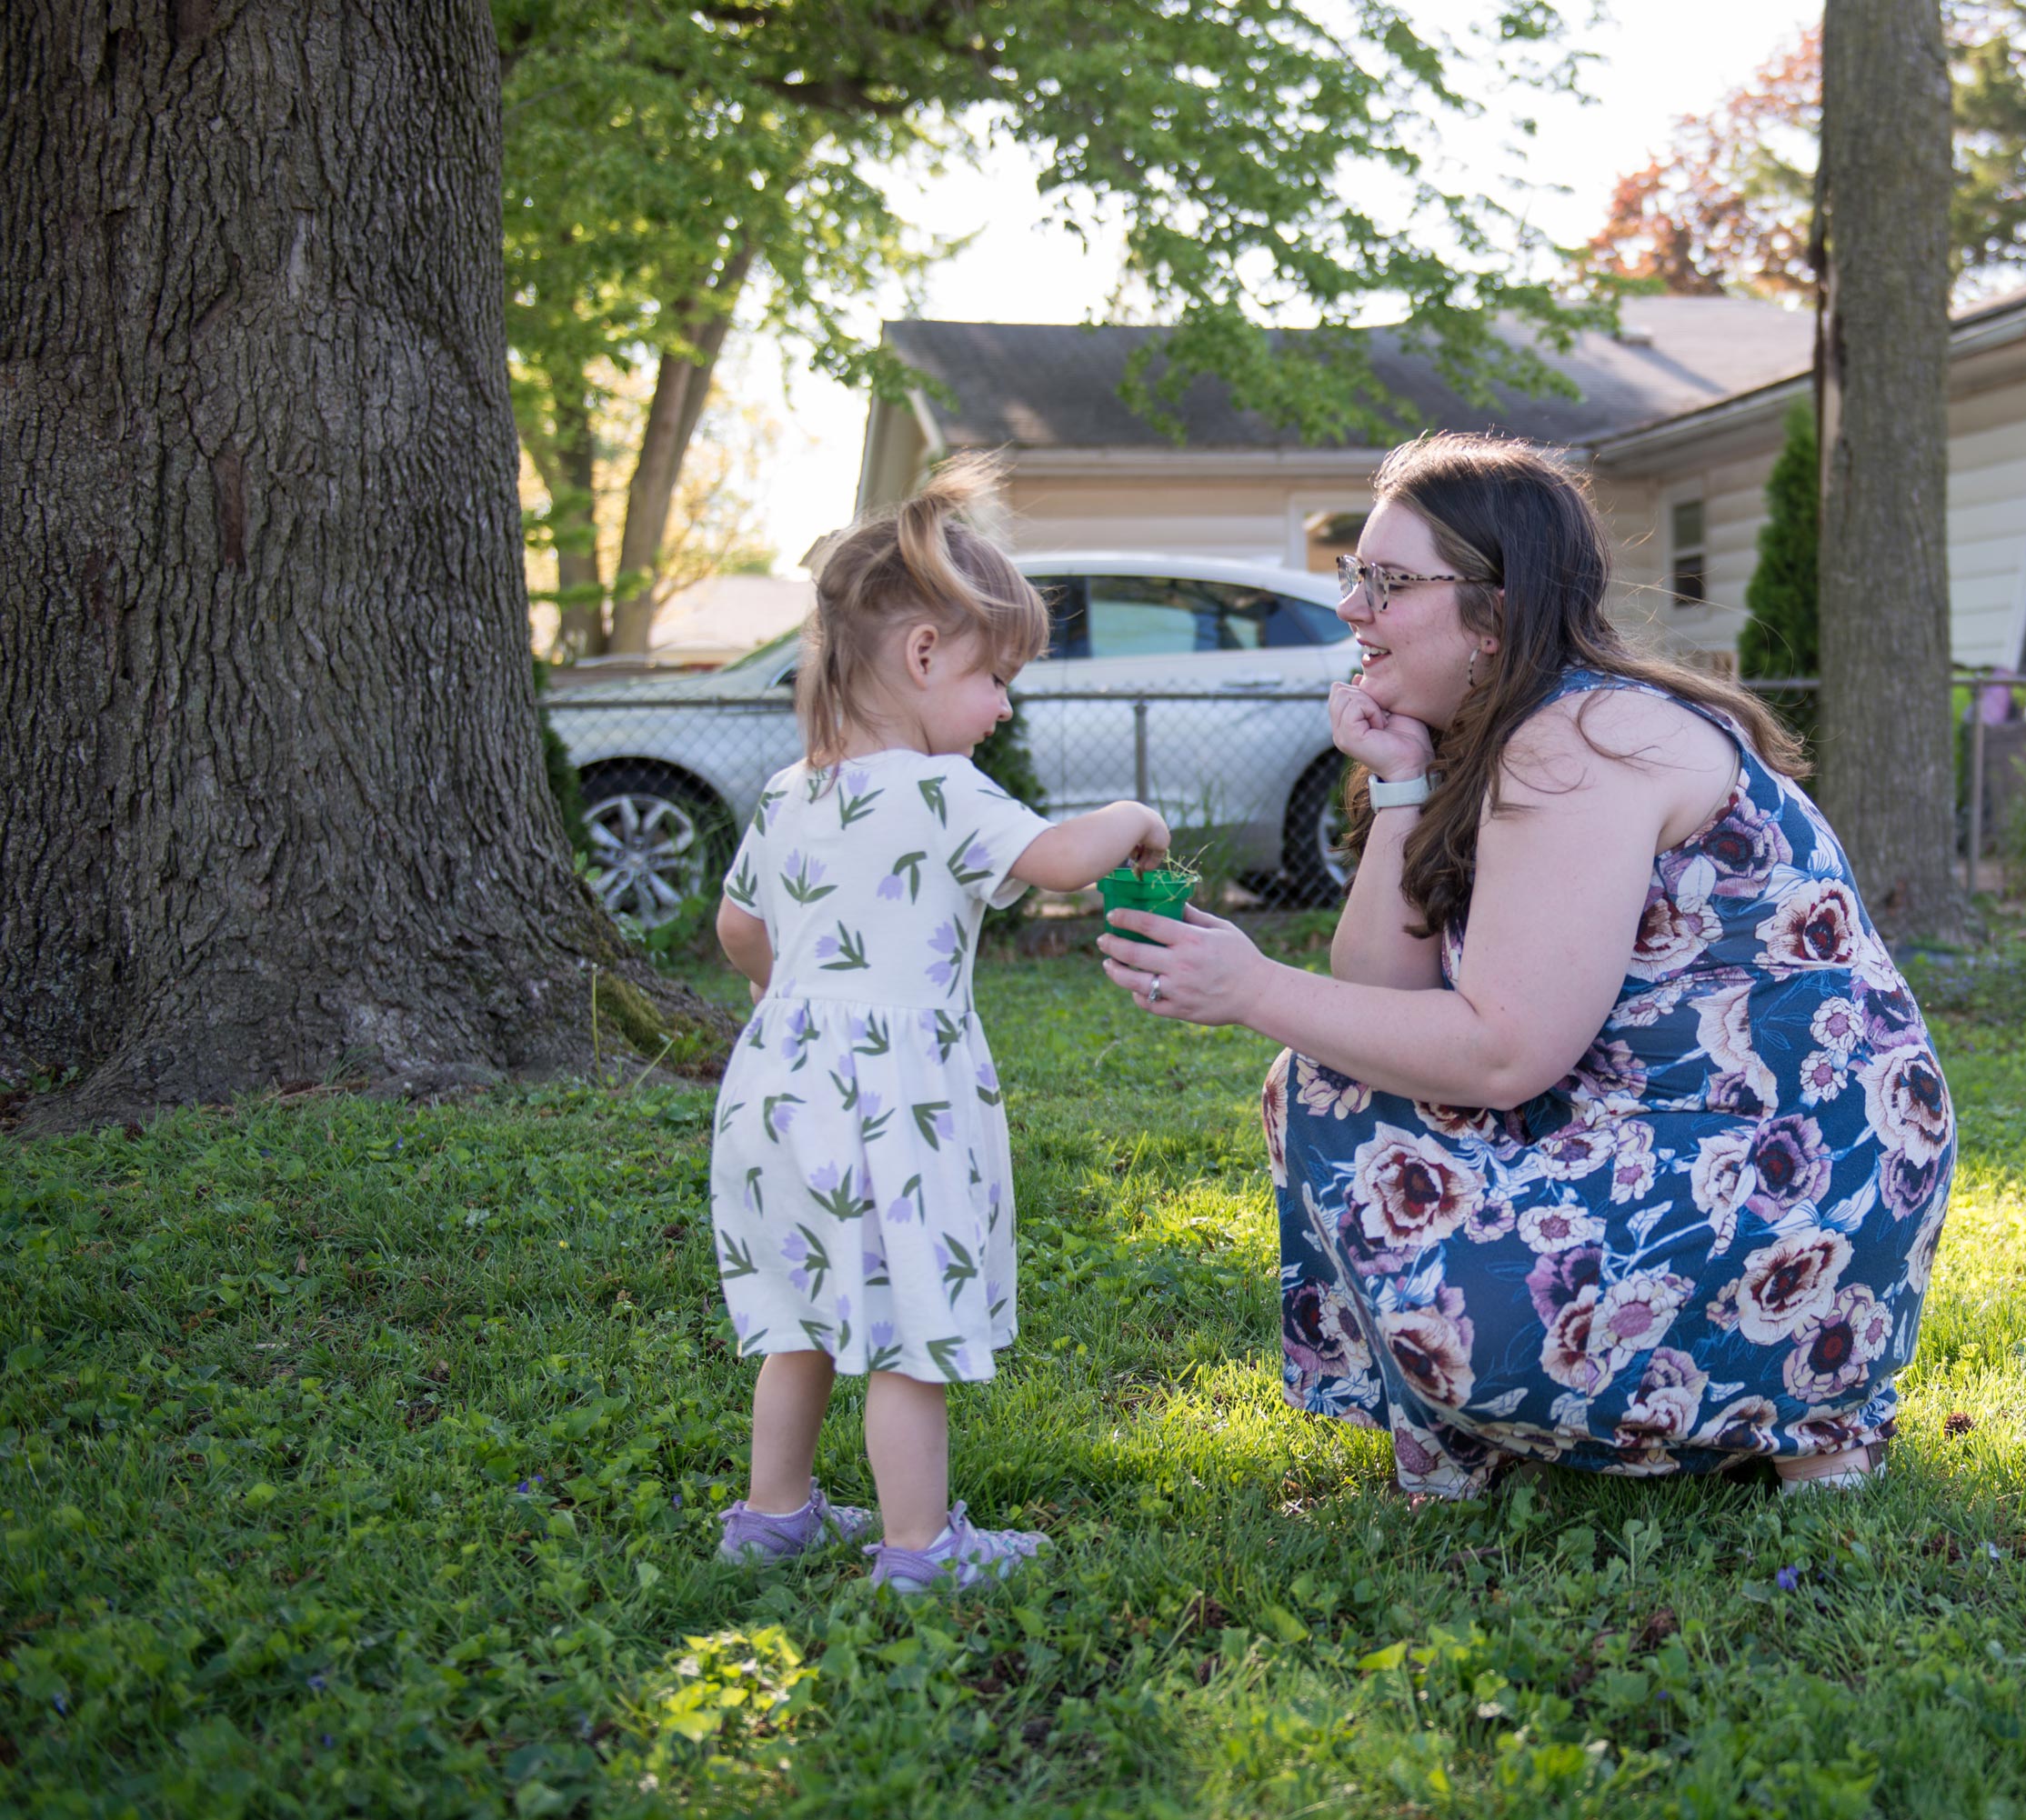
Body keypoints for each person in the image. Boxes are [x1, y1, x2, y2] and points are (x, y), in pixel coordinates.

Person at [1096, 434, 1954, 1499]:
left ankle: (1796, 1413)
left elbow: (1505, 1053)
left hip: (1795, 1174)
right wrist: (1401, 784)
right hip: (1677, 1126)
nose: (1353, 609)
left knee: (1332, 1087)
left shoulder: (1579, 742)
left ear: (1496, 617)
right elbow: (1378, 1003)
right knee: (1327, 1081)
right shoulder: (1516, 733)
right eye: (1353, 575)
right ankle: (1540, 1428)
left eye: (1390, 582)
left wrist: (1253, 988)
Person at [707, 457, 1169, 1591]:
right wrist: (1133, 814)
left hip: (774, 1096)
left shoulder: (788, 792)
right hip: (894, 1111)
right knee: (908, 1322)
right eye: (996, 677)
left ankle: (774, 1514)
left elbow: (736, 928)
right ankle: (919, 1550)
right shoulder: (941, 789)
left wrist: (789, 997)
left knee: (802, 1316)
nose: (1004, 705)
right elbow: (1060, 861)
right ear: (922, 658)